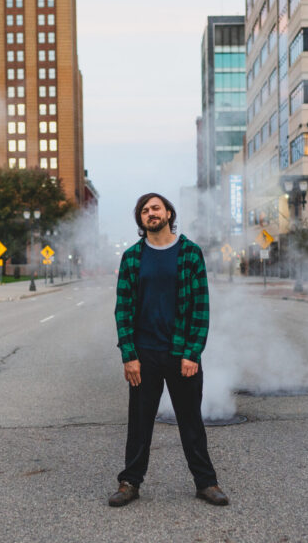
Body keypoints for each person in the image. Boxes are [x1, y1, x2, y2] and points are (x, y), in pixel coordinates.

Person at [108, 193, 229, 507]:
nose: (150, 213)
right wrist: (129, 355)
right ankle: (129, 482)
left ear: (169, 213)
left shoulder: (189, 252)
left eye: (156, 208)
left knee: (191, 421)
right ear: (141, 219)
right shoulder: (133, 257)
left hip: (181, 353)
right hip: (144, 353)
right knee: (139, 423)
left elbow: (201, 306)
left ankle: (206, 482)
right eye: (145, 210)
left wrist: (193, 352)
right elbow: (123, 309)